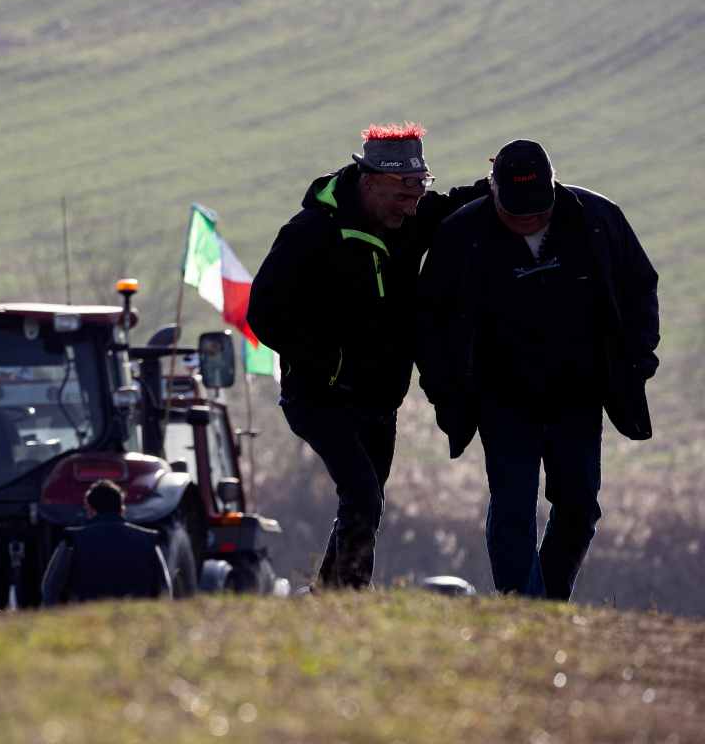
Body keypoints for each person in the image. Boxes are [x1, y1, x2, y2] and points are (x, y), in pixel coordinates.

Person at [247, 122, 489, 590]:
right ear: (369, 180)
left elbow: (458, 204)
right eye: (400, 196)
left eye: (417, 195)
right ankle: (352, 597)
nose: (410, 207)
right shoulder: (310, 232)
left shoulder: (409, 220)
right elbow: (263, 313)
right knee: (361, 495)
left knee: (365, 502)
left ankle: (328, 598)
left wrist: (505, 182)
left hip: (381, 400)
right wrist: (330, 365)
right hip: (318, 396)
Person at [416, 139, 659, 600]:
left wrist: (637, 362)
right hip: (501, 397)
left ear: (554, 185)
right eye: (516, 211)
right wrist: (443, 388)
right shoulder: (461, 234)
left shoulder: (599, 220)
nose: (528, 219)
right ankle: (520, 604)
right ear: (492, 189)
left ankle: (548, 601)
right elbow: (430, 321)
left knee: (579, 505)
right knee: (512, 505)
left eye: (537, 210)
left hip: (579, 394)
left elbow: (640, 289)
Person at [41, 479, 172, 604]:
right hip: (136, 621)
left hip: (88, 622)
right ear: (122, 509)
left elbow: (50, 588)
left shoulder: (72, 540)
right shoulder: (148, 540)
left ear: (90, 509)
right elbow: (164, 589)